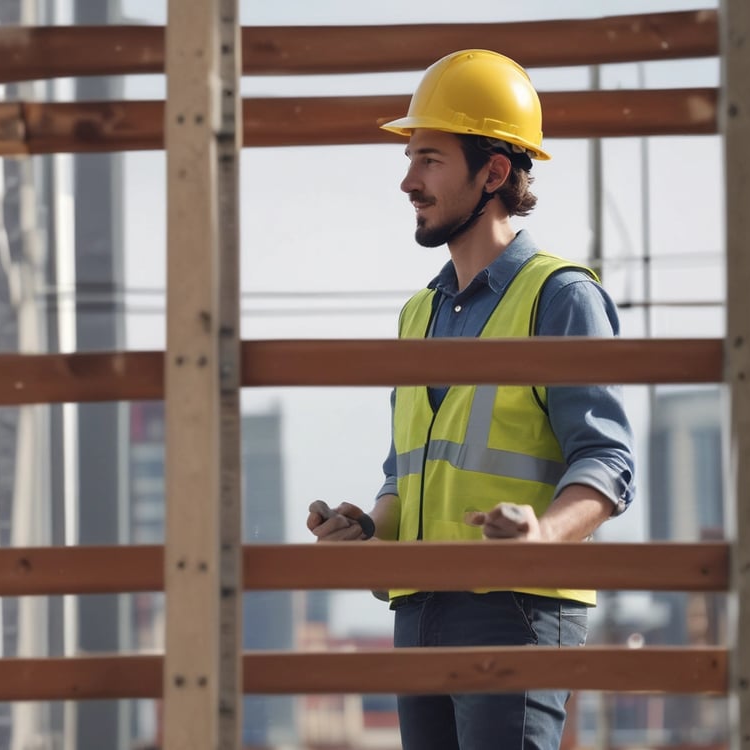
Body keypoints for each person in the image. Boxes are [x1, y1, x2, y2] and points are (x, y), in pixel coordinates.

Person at [307, 49, 635, 750]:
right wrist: (369, 530)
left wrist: (540, 539)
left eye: (428, 159)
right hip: (418, 607)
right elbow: (407, 475)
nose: (407, 181)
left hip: (513, 608)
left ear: (492, 172)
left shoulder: (562, 298)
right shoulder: (415, 315)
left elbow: (608, 461)